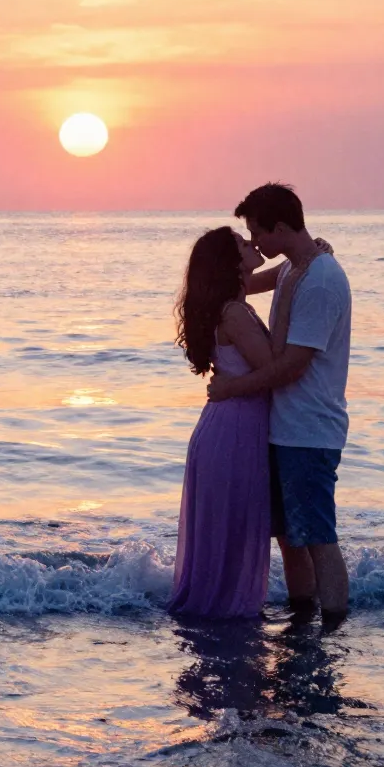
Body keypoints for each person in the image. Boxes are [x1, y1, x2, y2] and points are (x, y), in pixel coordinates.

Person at [208, 182, 353, 621]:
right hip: (283, 427)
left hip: (309, 430)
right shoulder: (292, 268)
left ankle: (334, 628)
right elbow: (240, 283)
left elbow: (292, 366)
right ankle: (301, 620)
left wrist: (231, 388)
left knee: (318, 537)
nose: (254, 242)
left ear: (282, 227)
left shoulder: (320, 281)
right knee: (290, 537)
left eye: (257, 232)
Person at [166, 226, 275, 618]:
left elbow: (279, 274)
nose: (252, 243)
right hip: (235, 429)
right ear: (232, 263)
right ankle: (226, 610)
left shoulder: (230, 304)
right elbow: (274, 369)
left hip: (226, 425)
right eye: (243, 244)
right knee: (234, 525)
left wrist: (310, 254)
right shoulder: (234, 313)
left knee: (228, 526)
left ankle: (219, 605)